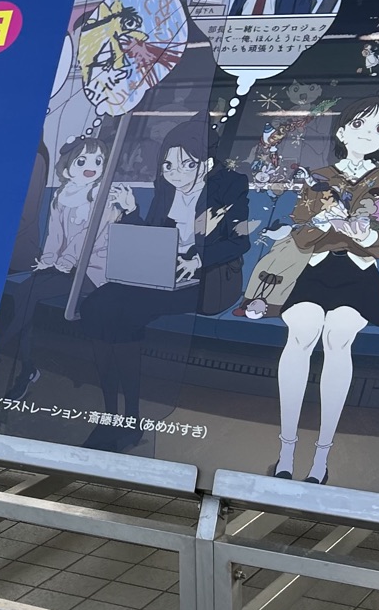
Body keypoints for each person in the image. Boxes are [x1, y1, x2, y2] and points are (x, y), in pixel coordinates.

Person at [272, 98, 379, 484]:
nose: (368, 134)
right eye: (360, 124)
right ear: (343, 131)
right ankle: (286, 450)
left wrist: (362, 234)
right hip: (317, 270)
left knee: (337, 337)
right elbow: (301, 236)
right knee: (301, 331)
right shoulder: (318, 177)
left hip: (360, 274)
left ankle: (321, 456)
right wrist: (324, 222)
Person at [81, 124, 251, 421]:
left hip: (208, 279)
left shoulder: (230, 186)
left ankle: (130, 415)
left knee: (125, 313)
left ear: (207, 164)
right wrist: (131, 211)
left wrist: (198, 260)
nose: (176, 173)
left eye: (187, 164)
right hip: (162, 273)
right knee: (95, 305)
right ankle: (111, 410)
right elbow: (153, 238)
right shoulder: (165, 188)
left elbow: (240, 241)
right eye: (168, 165)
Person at [0, 133, 135, 400]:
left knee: (29, 294)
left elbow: (88, 239)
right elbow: (55, 235)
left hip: (92, 270)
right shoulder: (62, 195)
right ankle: (26, 368)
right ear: (67, 167)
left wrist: (64, 262)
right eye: (82, 161)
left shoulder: (102, 198)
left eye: (98, 161)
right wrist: (48, 259)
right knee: (24, 294)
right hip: (64, 267)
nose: (91, 167)